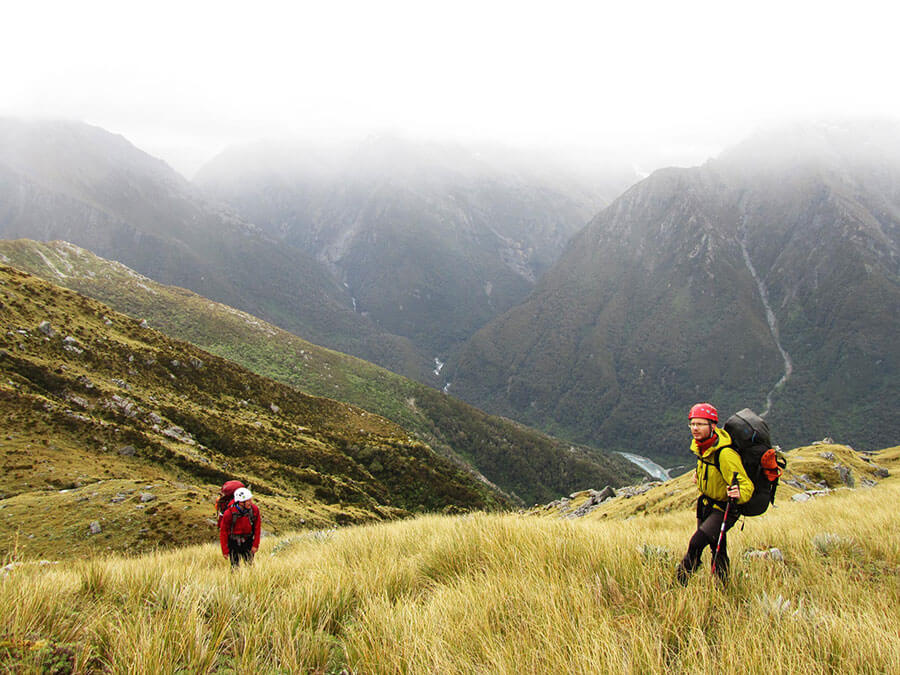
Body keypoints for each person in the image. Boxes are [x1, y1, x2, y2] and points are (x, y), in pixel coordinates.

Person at [675, 403, 754, 584]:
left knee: (696, 544)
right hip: (707, 505)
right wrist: (701, 476)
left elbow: (746, 485)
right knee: (718, 548)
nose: (695, 428)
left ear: (713, 426)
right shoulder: (703, 447)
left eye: (701, 424)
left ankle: (678, 584)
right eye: (692, 424)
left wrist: (739, 493)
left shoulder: (725, 454)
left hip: (724, 508)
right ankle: (723, 586)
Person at [219, 487, 261, 567]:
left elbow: (257, 528)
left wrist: (255, 545)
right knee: (235, 567)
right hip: (233, 543)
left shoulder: (254, 510)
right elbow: (223, 532)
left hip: (248, 541)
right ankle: (235, 579)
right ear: (240, 502)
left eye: (250, 500)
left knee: (249, 565)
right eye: (248, 501)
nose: (250, 502)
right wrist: (225, 550)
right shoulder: (229, 513)